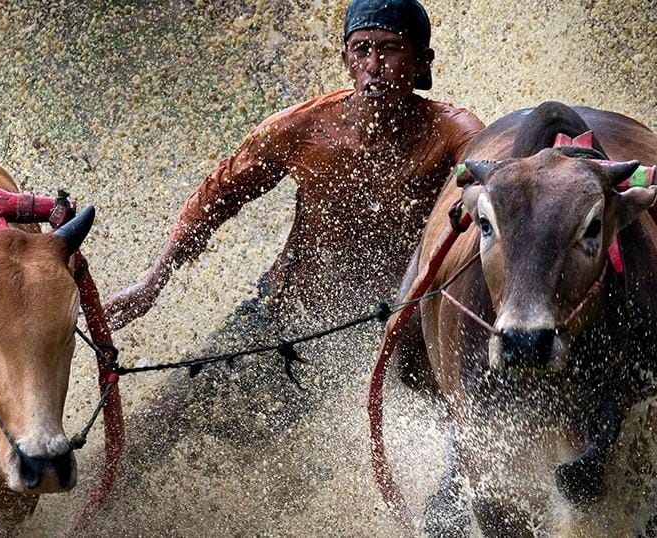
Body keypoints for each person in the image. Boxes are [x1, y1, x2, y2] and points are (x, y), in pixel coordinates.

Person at [98, 0, 485, 518]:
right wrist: (153, 281)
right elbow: (215, 198)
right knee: (163, 422)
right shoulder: (303, 127)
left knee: (314, 466)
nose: (374, 65)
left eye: (391, 50)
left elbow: (490, 181)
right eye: (361, 50)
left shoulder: (453, 132)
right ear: (345, 59)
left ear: (420, 62)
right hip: (284, 313)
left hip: (380, 337)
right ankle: (92, 508)